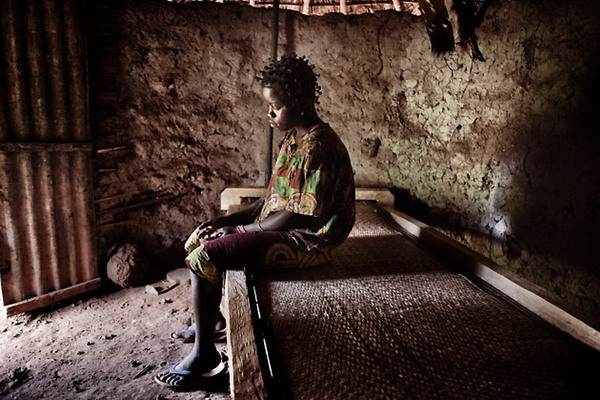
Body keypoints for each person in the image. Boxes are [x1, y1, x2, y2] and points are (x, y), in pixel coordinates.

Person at [154, 54, 355, 391]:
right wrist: (226, 219)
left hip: (310, 240)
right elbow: (270, 201)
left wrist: (240, 230)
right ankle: (213, 321)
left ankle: (205, 357)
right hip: (287, 226)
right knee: (199, 237)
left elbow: (300, 215)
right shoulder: (293, 139)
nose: (269, 114)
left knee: (206, 255)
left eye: (275, 107)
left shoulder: (318, 147)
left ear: (301, 102)